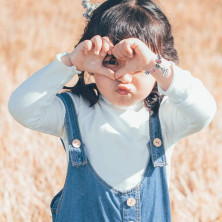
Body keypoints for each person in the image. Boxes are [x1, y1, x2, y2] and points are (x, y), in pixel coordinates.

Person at [8, 0, 216, 221]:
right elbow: (22, 107)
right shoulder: (76, 112)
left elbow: (204, 110)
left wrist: (154, 63)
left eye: (138, 65)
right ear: (92, 63)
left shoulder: (164, 118)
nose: (124, 75)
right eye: (112, 62)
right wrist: (71, 62)